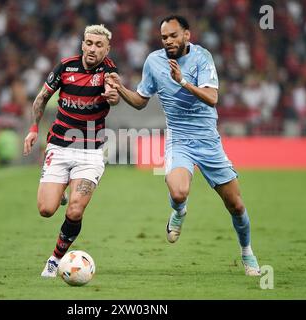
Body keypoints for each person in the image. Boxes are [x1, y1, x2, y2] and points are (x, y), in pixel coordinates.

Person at [106, 15, 261, 276]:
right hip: (179, 141)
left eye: (173, 36)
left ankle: (247, 253)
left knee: (235, 205)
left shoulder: (202, 58)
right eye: (164, 37)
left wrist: (182, 82)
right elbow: (141, 100)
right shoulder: (154, 62)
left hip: (208, 142)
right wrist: (120, 87)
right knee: (178, 192)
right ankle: (179, 212)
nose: (168, 41)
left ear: (187, 35)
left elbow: (212, 98)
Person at [23, 24, 120, 278]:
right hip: (59, 146)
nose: (92, 49)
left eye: (99, 45)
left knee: (75, 210)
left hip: (90, 152)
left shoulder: (108, 70)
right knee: (45, 210)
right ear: (82, 44)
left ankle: (55, 259)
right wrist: (34, 128)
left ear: (107, 49)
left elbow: (113, 90)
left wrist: (113, 95)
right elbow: (42, 97)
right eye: (89, 43)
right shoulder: (65, 67)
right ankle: (62, 187)